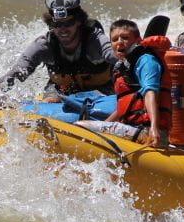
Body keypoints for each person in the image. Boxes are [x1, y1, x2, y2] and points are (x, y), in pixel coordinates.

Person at [0, 0, 117, 103]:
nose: (63, 30)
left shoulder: (94, 40)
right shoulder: (43, 46)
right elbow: (18, 72)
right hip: (61, 94)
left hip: (103, 93)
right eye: (57, 25)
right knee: (51, 100)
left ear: (79, 21)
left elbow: (114, 55)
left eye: (68, 23)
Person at [74, 19, 172, 147]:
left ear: (137, 40)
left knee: (79, 127)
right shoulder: (123, 66)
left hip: (147, 131)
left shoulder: (146, 61)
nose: (119, 42)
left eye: (125, 38)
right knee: (89, 127)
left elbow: (150, 93)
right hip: (132, 127)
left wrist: (154, 128)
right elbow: (124, 107)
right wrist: (106, 124)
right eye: (114, 39)